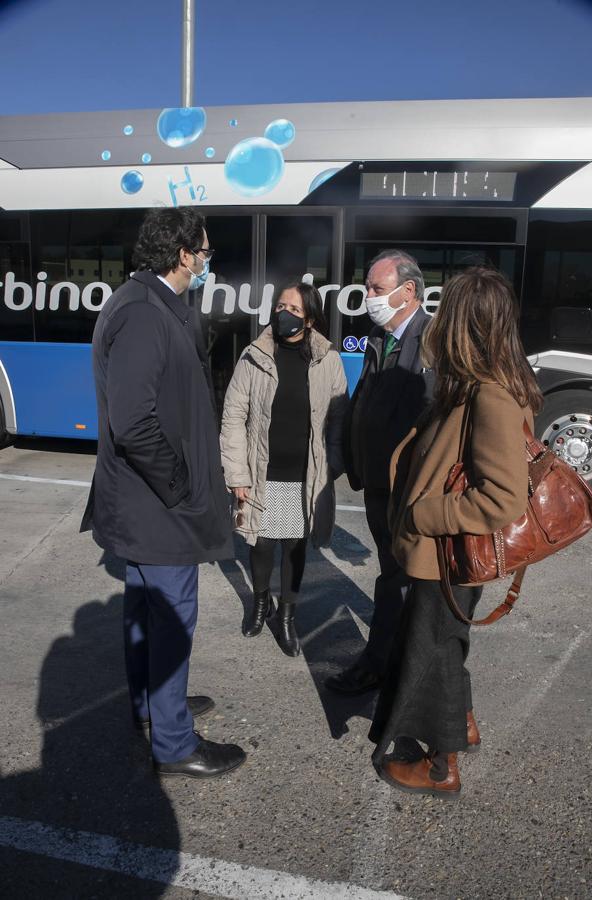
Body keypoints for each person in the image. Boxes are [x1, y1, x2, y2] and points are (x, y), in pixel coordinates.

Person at [80, 207, 246, 780]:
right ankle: (174, 743)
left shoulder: (143, 303)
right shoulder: (146, 313)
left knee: (146, 614)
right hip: (156, 507)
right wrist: (179, 487)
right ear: (183, 255)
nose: (208, 259)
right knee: (172, 618)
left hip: (144, 506)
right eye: (204, 249)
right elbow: (133, 421)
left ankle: (155, 706)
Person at [369, 267, 543, 797]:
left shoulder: (491, 394)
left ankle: (441, 765)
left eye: (449, 312)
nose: (439, 321)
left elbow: (504, 496)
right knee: (445, 640)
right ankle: (461, 722)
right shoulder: (477, 383)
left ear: (467, 323)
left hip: (444, 548)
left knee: (433, 652)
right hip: (446, 551)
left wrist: (426, 515)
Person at [220, 281, 348, 656]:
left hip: (304, 475)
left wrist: (333, 466)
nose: (284, 314)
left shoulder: (328, 359)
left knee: (294, 547)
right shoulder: (255, 355)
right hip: (262, 470)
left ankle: (287, 617)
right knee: (260, 543)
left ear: (309, 318)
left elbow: (340, 420)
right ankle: (261, 604)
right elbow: (233, 416)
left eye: (293, 308)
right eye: (280, 306)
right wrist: (237, 475)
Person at [326, 250, 433, 695]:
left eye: (376, 288)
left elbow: (432, 418)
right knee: (394, 573)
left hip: (408, 489)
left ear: (408, 291)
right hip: (376, 482)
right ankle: (395, 663)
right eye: (368, 287)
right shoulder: (379, 338)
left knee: (402, 578)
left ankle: (386, 667)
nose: (367, 296)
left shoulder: (433, 339)